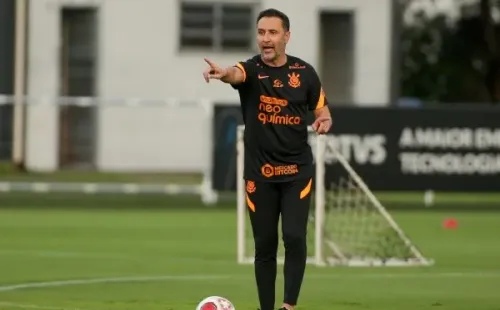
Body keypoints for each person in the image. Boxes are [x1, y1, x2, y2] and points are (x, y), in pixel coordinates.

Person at [202, 8, 332, 310]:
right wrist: (223, 74)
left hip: (296, 172)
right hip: (259, 175)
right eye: (261, 33)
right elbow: (236, 73)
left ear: (286, 36)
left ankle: (289, 306)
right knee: (264, 246)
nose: (266, 39)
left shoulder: (305, 73)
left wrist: (324, 121)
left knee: (294, 237)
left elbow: (322, 111)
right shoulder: (251, 70)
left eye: (272, 32)